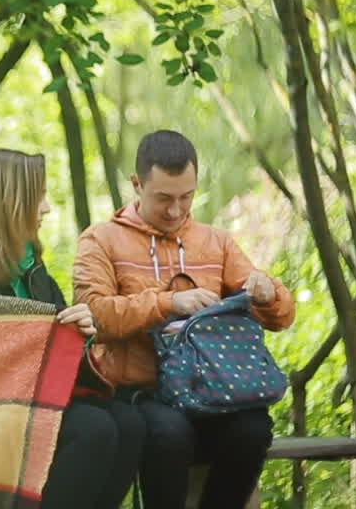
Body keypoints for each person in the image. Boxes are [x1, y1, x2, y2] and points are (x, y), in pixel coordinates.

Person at [73, 130, 296, 509]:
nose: (176, 211)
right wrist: (169, 303)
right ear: (137, 185)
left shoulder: (216, 242)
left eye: (186, 197)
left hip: (212, 393)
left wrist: (268, 294)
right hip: (141, 394)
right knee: (169, 434)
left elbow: (281, 317)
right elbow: (94, 316)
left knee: (254, 429)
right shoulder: (101, 240)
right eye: (164, 198)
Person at [0, 148, 144, 509]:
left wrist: (81, 331)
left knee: (130, 423)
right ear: (9, 202)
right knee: (92, 429)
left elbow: (58, 346)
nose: (47, 208)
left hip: (33, 405)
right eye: (38, 197)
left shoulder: (29, 264)